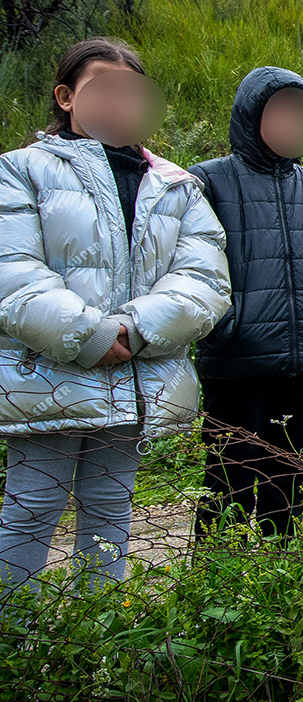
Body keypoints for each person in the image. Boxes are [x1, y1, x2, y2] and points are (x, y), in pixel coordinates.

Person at [0, 38, 230, 593]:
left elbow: (205, 277)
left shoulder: (176, 185)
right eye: (102, 87)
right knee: (32, 508)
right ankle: (19, 651)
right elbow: (12, 270)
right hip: (48, 373)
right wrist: (90, 332)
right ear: (65, 97)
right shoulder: (20, 171)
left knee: (110, 514)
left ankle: (96, 645)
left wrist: (134, 328)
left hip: (132, 376)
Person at [190, 66, 303, 540]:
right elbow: (190, 264)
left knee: (287, 475)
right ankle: (215, 580)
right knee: (229, 477)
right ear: (251, 115)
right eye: (279, 111)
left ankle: (283, 579)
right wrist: (223, 324)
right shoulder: (208, 181)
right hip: (236, 357)